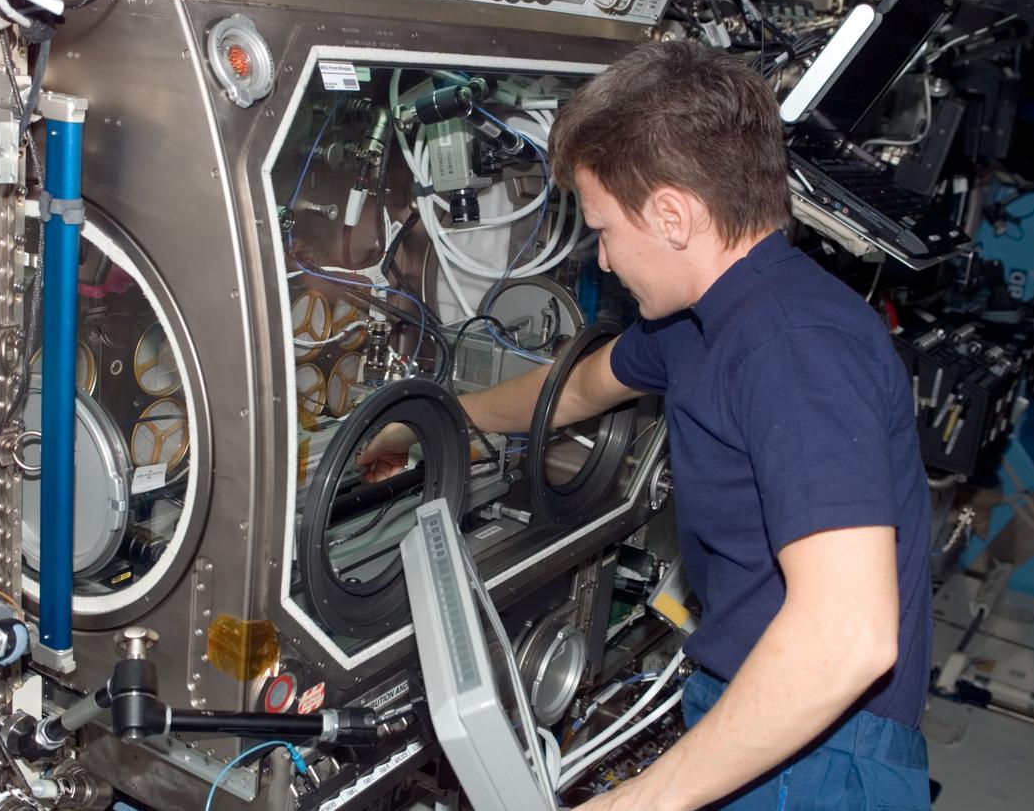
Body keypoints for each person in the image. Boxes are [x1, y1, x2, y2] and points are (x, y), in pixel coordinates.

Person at [359, 41, 933, 811]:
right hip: (767, 708)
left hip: (822, 749)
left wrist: (639, 802)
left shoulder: (795, 348)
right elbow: (570, 392)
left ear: (671, 214)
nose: (601, 257)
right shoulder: (704, 319)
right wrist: (431, 426)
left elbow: (849, 637)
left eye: (602, 228)